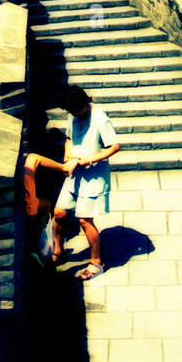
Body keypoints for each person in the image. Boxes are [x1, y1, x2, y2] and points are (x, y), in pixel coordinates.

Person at [53, 85, 121, 280]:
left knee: (84, 220)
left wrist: (93, 158)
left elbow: (114, 146)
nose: (73, 114)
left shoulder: (101, 119)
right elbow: (69, 138)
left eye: (75, 110)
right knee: (59, 212)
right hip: (75, 174)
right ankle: (59, 251)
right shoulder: (73, 117)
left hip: (94, 176)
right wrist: (67, 154)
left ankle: (96, 262)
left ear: (84, 103)